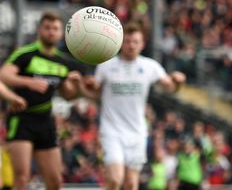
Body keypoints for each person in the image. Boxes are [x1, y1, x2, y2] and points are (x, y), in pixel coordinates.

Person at [81, 22, 186, 190]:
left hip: (137, 133)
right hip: (112, 131)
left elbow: (170, 87)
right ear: (121, 43)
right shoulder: (106, 66)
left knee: (131, 183)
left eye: (135, 42)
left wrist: (178, 82)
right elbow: (95, 93)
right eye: (127, 41)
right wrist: (84, 86)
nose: (131, 45)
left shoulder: (150, 66)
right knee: (115, 179)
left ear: (142, 44)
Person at [0, 11, 83, 190]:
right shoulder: (26, 54)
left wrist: (76, 85)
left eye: (55, 28)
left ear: (61, 33)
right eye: (47, 28)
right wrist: (29, 82)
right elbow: (4, 75)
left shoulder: (63, 63)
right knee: (22, 177)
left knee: (55, 182)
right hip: (22, 119)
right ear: (40, 30)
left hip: (45, 122)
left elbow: (68, 95)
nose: (51, 32)